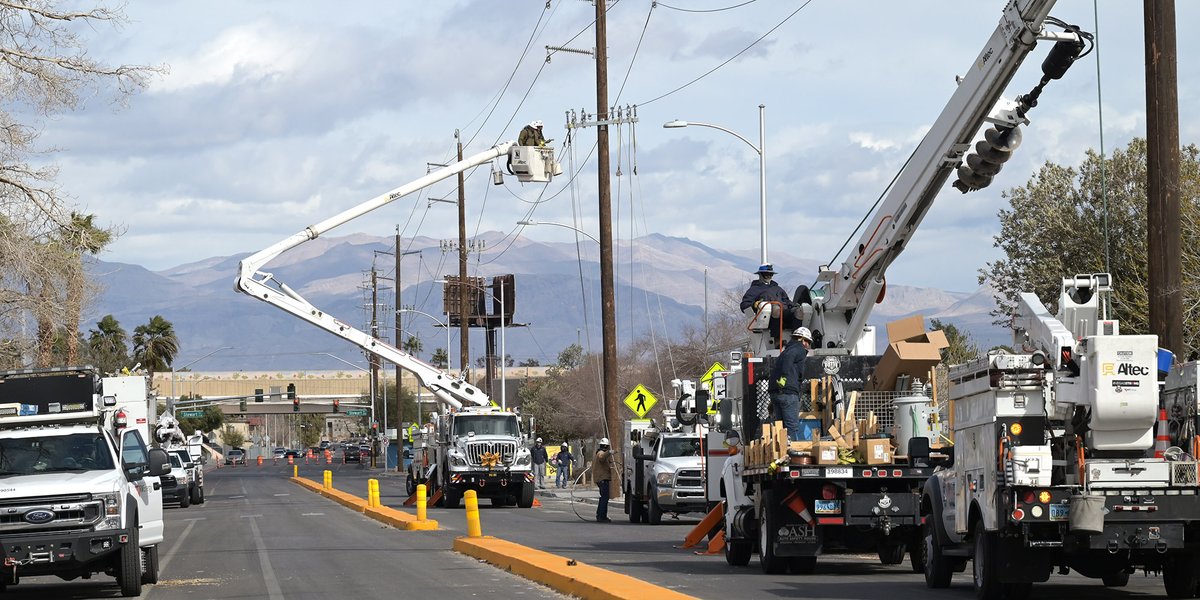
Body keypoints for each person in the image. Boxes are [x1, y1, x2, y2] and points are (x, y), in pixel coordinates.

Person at [770, 327, 813, 442]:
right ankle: (792, 456)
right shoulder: (798, 349)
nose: (808, 345)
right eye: (808, 342)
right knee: (791, 427)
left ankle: (781, 454)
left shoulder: (785, 351)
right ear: (802, 340)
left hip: (776, 392)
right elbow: (790, 359)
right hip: (788, 393)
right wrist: (784, 375)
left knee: (780, 427)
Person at [594, 437, 617, 523]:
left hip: (601, 478)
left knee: (603, 497)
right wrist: (609, 452)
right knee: (604, 498)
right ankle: (602, 516)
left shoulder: (599, 453)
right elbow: (602, 457)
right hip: (602, 479)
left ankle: (599, 514)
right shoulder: (600, 453)